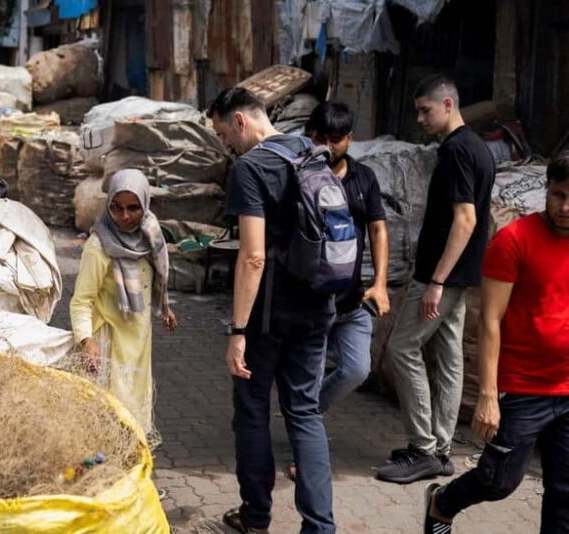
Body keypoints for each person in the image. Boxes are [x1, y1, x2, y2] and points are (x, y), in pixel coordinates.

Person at [209, 87, 336, 534]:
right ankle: (320, 527)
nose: (226, 144)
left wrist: (237, 330)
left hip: (267, 317)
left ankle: (256, 516)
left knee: (252, 410)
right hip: (318, 305)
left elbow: (253, 256)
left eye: (224, 133)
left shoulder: (250, 168)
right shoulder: (309, 150)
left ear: (240, 122)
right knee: (305, 413)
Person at [423, 153, 569, 534]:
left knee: (565, 493)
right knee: (499, 480)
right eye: (557, 194)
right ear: (546, 190)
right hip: (524, 386)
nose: (565, 207)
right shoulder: (515, 239)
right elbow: (489, 320)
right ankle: (442, 502)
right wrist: (488, 394)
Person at [377, 74, 495, 484]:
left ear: (448, 105)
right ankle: (441, 449)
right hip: (459, 276)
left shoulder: (459, 151)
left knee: (402, 348)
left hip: (442, 277)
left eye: (426, 110)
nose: (421, 119)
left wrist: (437, 281)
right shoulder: (476, 148)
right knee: (448, 357)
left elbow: (466, 220)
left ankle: (423, 447)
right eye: (418, 112)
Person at [70, 169, 178, 442]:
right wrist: (86, 342)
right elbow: (82, 300)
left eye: (133, 208)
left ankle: (130, 467)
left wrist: (164, 308)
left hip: (138, 338)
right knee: (110, 414)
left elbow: (151, 278)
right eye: (117, 208)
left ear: (145, 204)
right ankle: (107, 474)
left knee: (135, 408)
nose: (125, 216)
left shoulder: (150, 235)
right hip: (109, 343)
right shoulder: (98, 246)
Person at [308, 101, 390, 410]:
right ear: (311, 136)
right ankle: (304, 444)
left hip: (352, 298)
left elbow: (378, 230)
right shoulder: (302, 176)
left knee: (357, 370)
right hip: (311, 301)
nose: (328, 146)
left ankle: (309, 415)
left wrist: (380, 284)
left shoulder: (364, 177)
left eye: (336, 139)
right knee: (309, 375)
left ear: (349, 139)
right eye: (322, 138)